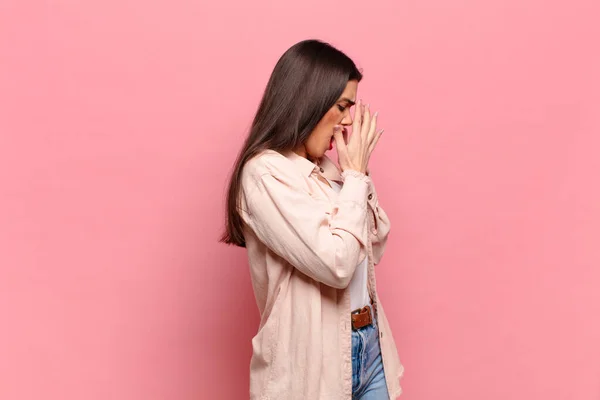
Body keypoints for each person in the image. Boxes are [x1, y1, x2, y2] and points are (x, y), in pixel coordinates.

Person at [221, 39, 404, 399]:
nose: (349, 120)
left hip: (369, 347)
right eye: (341, 106)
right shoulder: (265, 174)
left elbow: (375, 244)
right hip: (311, 363)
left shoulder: (329, 169)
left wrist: (357, 173)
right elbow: (336, 263)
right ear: (309, 102)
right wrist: (354, 178)